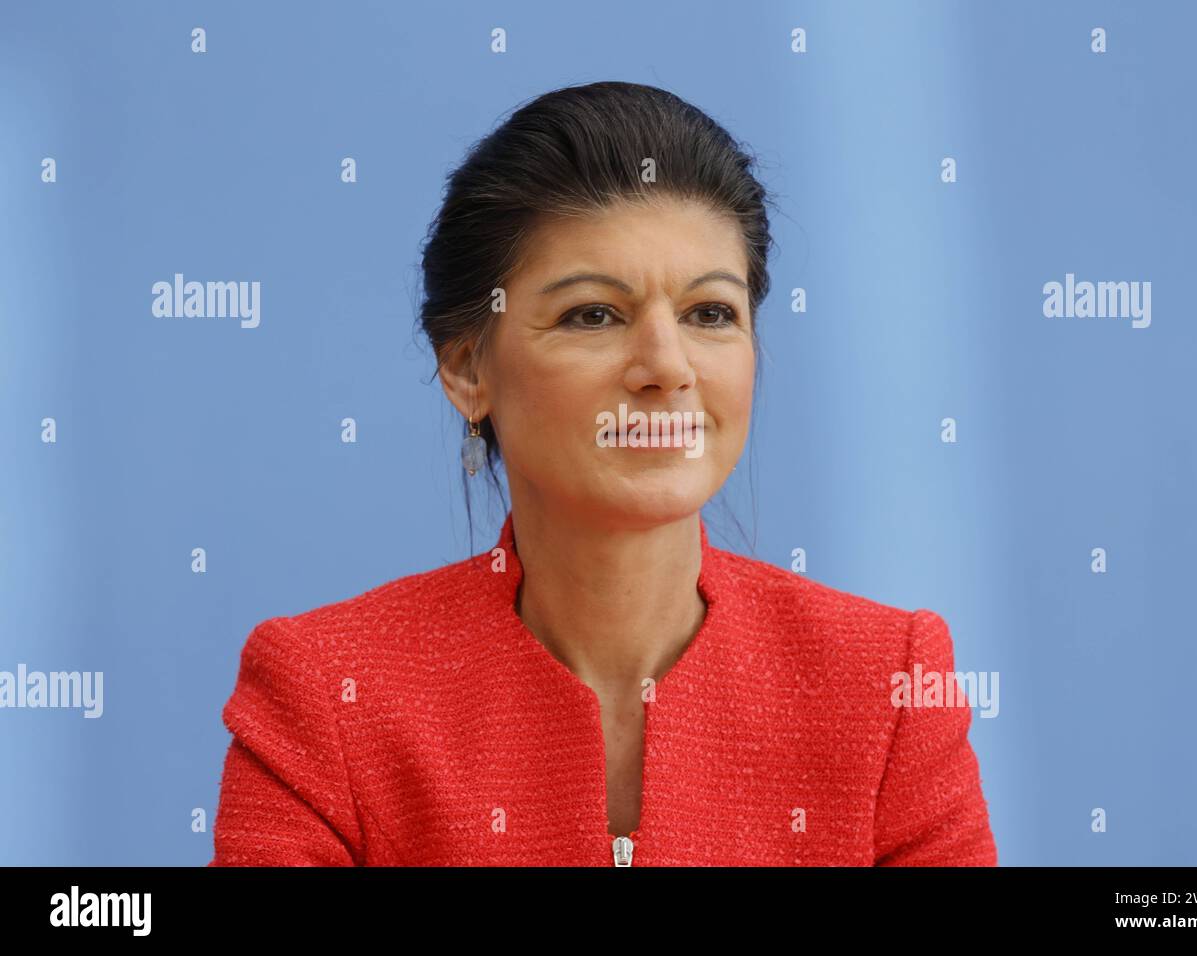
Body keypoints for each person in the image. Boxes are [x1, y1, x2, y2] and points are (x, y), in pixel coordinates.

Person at [208, 80, 996, 867]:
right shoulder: (325, 692)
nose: (666, 366)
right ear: (465, 368)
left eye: (710, 314)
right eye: (594, 314)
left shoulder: (887, 682)